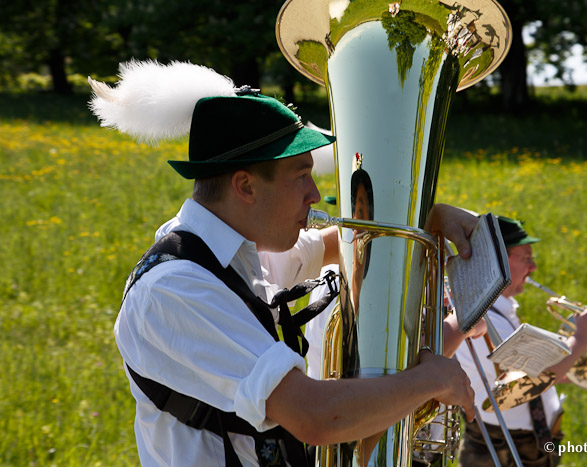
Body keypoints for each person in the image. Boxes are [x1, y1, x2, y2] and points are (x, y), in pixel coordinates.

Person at [90, 60, 479, 467]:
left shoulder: (237, 251)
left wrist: (428, 219)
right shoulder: (174, 290)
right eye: (301, 176)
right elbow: (314, 417)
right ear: (245, 186)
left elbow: (332, 245)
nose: (315, 194)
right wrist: (432, 379)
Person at [448, 215, 587, 467]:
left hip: (527, 441)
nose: (534, 268)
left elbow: (535, 372)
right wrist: (582, 336)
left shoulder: (499, 310)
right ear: (497, 262)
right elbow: (529, 379)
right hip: (506, 446)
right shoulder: (481, 318)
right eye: (526, 259)